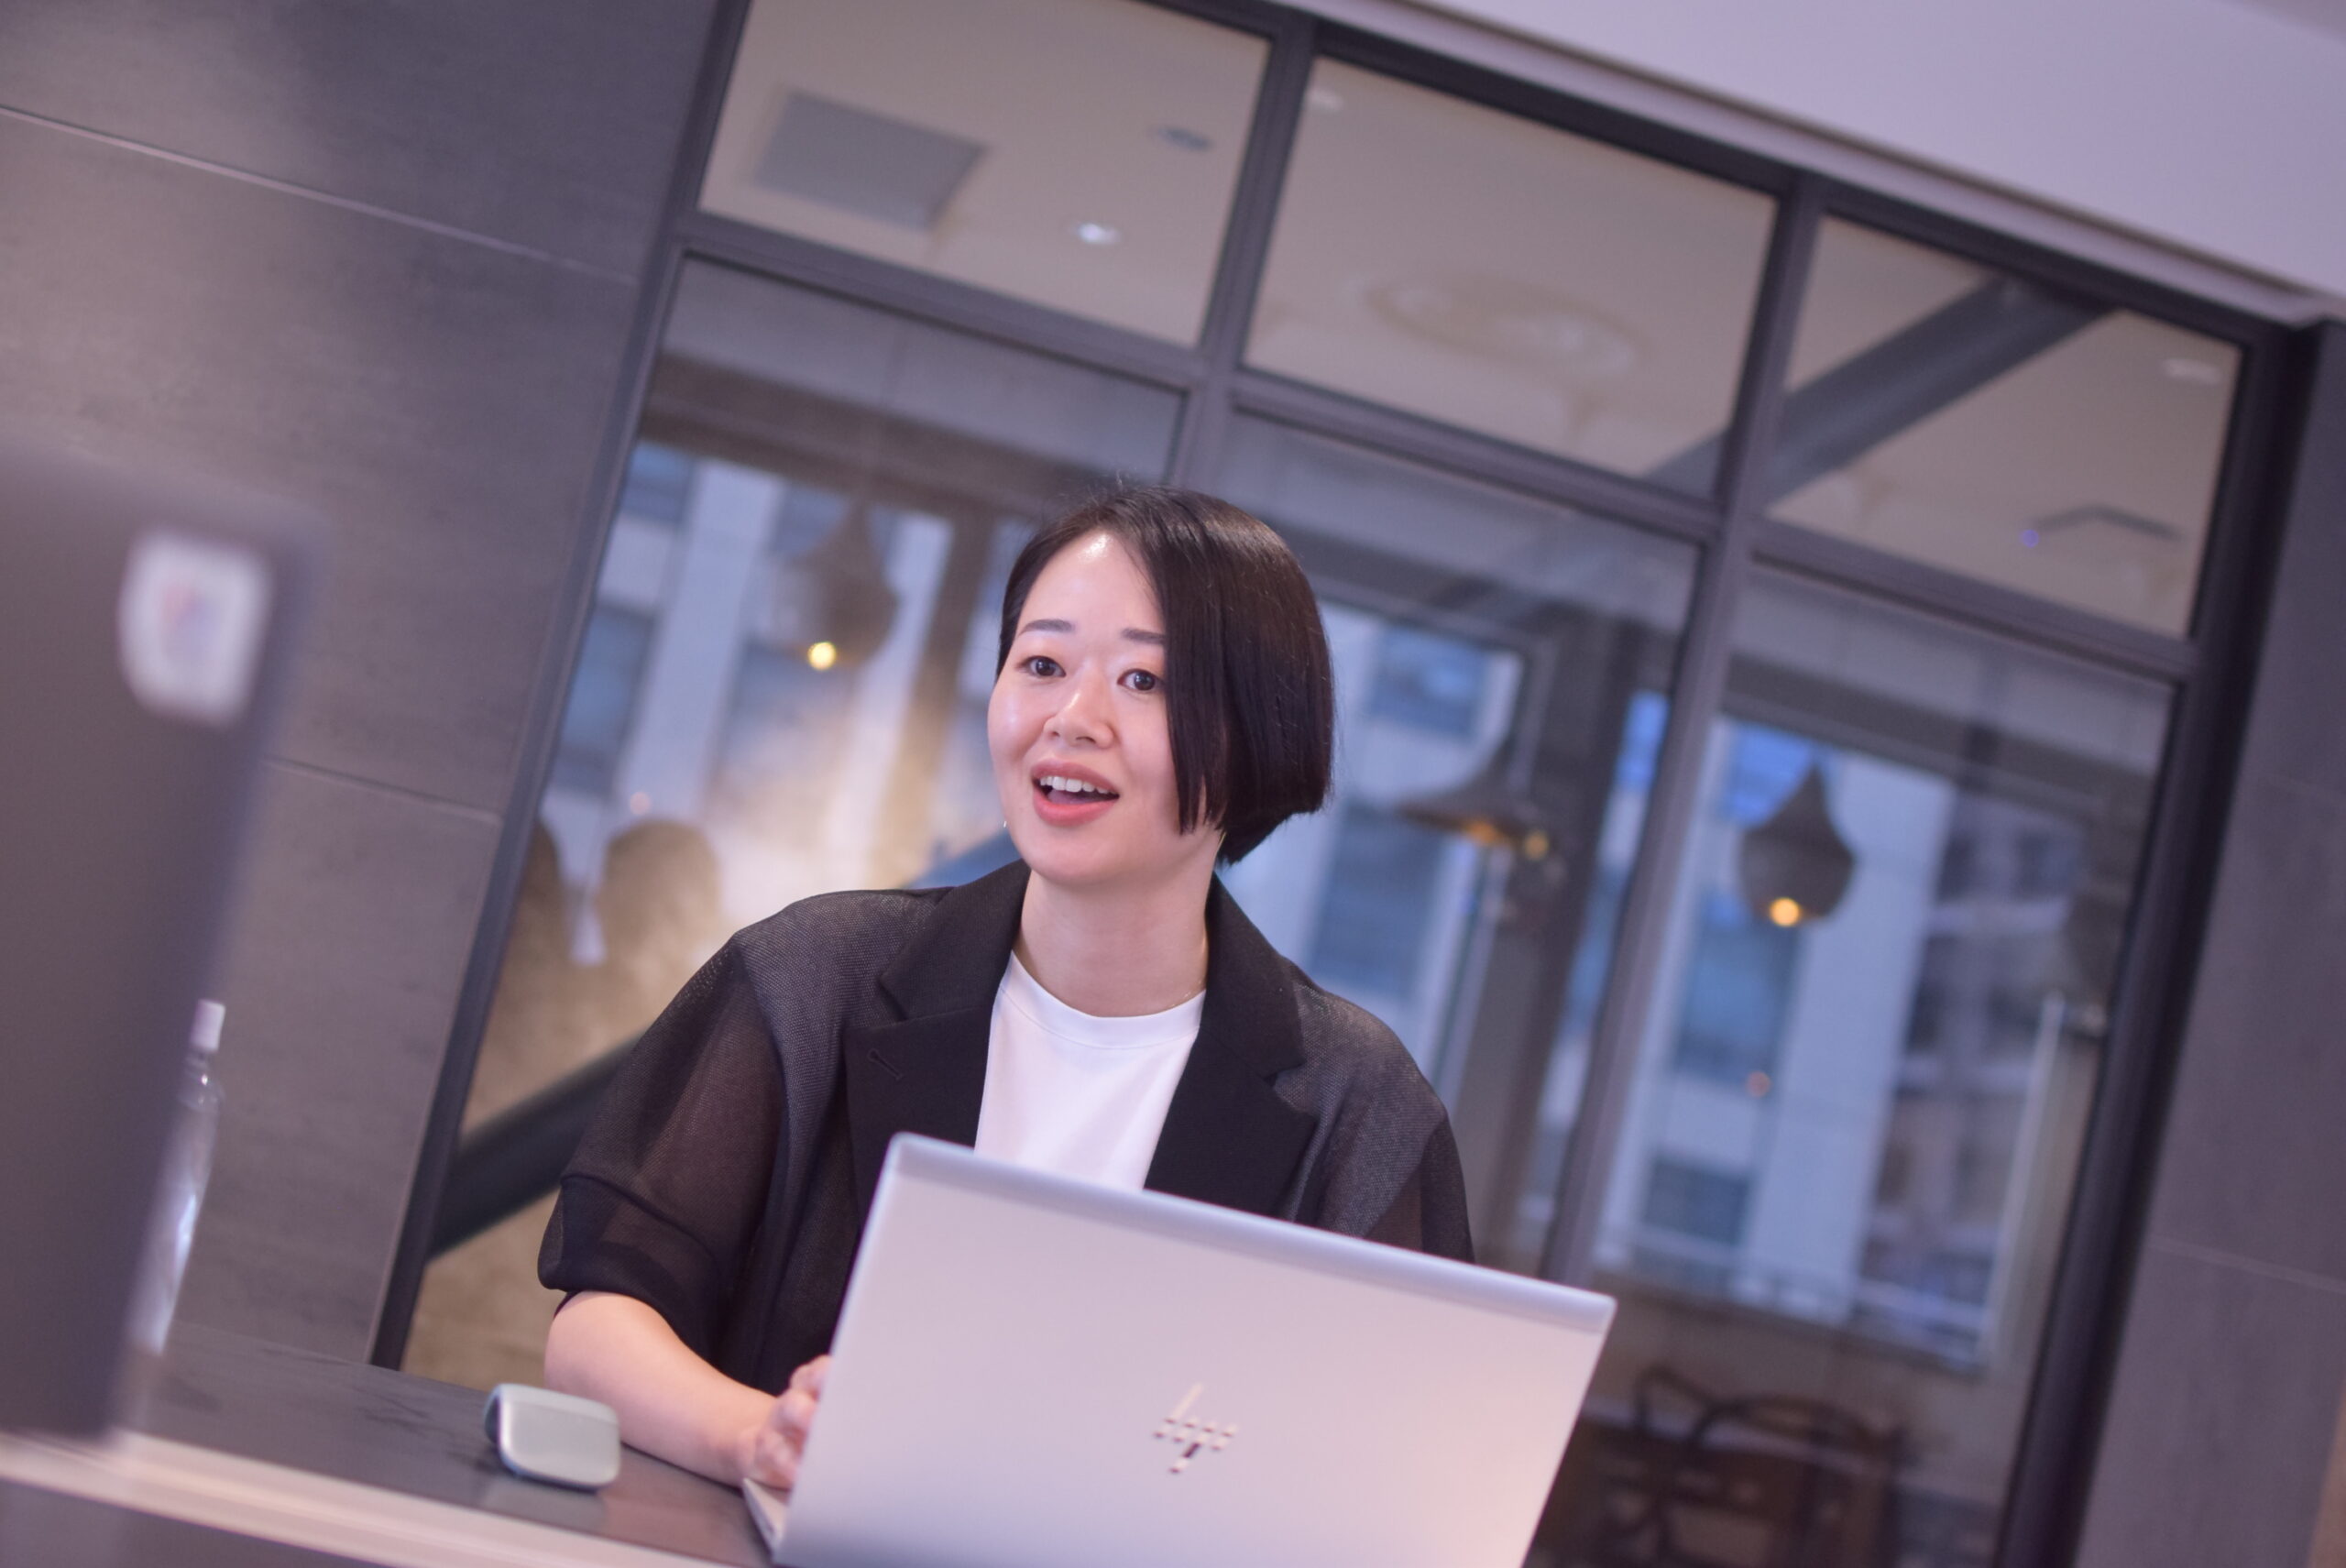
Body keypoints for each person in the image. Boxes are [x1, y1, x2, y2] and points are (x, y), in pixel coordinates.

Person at [540, 486, 1472, 1491]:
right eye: (1042, 664)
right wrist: (761, 1438)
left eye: (1145, 679)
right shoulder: (811, 976)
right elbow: (598, 1326)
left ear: (1256, 733)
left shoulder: (1359, 1106)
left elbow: (1405, 1481)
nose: (1072, 718)